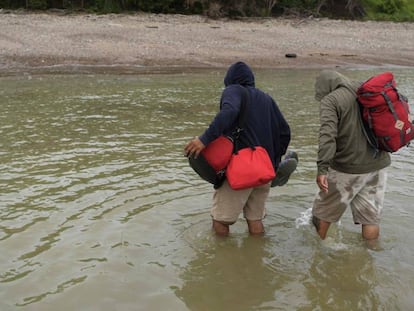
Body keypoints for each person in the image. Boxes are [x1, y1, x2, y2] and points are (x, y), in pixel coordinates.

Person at [184, 61, 291, 236]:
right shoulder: (267, 99)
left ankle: (222, 260)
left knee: (220, 219)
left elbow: (229, 112)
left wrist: (204, 139)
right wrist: (274, 161)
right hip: (265, 171)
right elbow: (285, 133)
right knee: (255, 219)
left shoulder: (233, 90)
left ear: (230, 79)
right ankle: (257, 259)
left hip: (241, 170)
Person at [312, 70, 391, 242]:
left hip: (348, 166)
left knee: (321, 213)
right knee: (370, 217)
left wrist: (322, 168)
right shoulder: (365, 91)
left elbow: (327, 136)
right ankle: (370, 255)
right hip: (379, 164)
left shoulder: (331, 100)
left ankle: (317, 253)